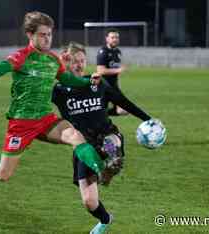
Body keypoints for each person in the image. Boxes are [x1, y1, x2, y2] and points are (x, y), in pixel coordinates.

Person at [0, 11, 105, 182]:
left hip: (46, 119)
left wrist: (88, 81)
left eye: (49, 34)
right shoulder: (22, 56)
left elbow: (67, 79)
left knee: (76, 137)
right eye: (42, 35)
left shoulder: (53, 60)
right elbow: (2, 67)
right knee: (3, 175)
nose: (47, 38)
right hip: (21, 123)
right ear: (30, 35)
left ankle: (102, 170)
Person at [52, 43, 152, 234]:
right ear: (66, 62)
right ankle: (105, 219)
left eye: (82, 61)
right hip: (83, 145)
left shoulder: (96, 83)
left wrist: (148, 119)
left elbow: (122, 102)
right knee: (89, 202)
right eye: (74, 61)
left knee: (111, 143)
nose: (79, 65)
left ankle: (111, 163)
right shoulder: (59, 90)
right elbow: (40, 87)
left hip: (107, 134)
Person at [96, 28, 128, 116]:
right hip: (103, 86)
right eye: (112, 37)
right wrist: (119, 70)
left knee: (124, 110)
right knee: (100, 114)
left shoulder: (118, 52)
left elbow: (116, 73)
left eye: (117, 37)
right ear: (107, 38)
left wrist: (118, 86)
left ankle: (106, 114)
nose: (115, 39)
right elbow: (100, 70)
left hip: (114, 86)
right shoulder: (103, 52)